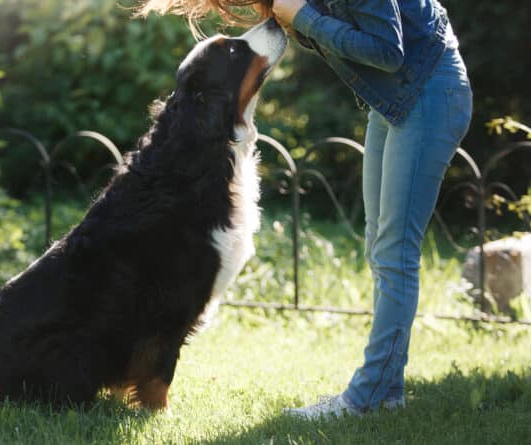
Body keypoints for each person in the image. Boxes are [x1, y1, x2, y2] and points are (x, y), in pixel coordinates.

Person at [138, 0, 473, 419]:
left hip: (428, 95)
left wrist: (305, 18)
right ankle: (386, 391)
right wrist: (297, 20)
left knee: (394, 250)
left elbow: (388, 52)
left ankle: (368, 396)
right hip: (394, 103)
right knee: (381, 246)